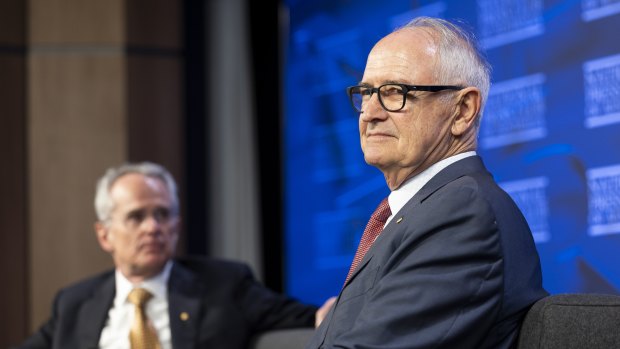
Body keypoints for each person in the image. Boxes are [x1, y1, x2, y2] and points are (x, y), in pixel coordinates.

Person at [306, 16, 548, 349]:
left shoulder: (461, 216)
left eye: (395, 92)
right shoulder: (425, 209)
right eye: (365, 93)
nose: (370, 112)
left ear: (463, 110)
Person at [17, 161, 324, 349]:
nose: (153, 227)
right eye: (136, 217)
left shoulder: (225, 285)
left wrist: (340, 308)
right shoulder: (75, 303)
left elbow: (307, 317)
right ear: (104, 234)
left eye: (163, 214)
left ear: (177, 225)